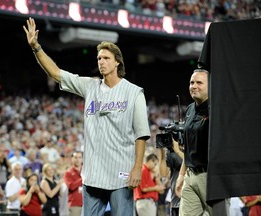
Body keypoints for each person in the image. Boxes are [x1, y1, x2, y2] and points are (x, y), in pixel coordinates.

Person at [23, 17, 151, 216]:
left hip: (121, 174)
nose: (101, 62)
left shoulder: (134, 93)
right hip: (93, 175)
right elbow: (56, 73)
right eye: (99, 58)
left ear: (117, 62)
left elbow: (141, 134)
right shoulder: (90, 87)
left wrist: (137, 168)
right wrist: (36, 48)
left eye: (106, 58)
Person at [174, 68, 213, 216]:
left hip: (209, 176)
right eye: (191, 82)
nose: (194, 86)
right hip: (190, 176)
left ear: (211, 86)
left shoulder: (216, 109)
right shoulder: (190, 109)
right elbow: (189, 148)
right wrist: (181, 175)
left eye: (199, 83)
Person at [159, 139, 184, 216]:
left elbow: (191, 163)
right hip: (175, 202)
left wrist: (178, 151)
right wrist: (162, 154)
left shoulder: (191, 149)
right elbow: (163, 173)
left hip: (189, 201)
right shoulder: (172, 154)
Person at [63, 151, 83, 216]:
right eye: (75, 157)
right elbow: (71, 186)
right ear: (72, 159)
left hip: (87, 204)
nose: (78, 159)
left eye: (80, 157)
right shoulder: (68, 173)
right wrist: (83, 178)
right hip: (75, 205)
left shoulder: (85, 171)